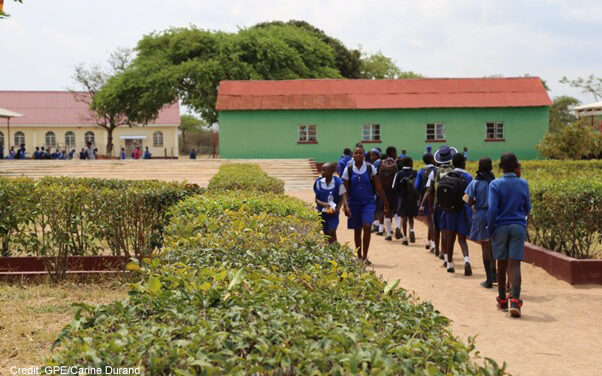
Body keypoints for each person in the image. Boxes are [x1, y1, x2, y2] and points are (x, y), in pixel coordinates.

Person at [488, 153, 531, 318]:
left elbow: (492, 209)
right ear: (516, 166)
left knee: (501, 264)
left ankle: (502, 300)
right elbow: (527, 206)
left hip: (500, 226)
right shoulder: (523, 183)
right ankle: (515, 301)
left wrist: (491, 228)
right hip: (518, 226)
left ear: (501, 167)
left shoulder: (495, 184)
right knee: (515, 265)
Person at [342, 146, 388, 264]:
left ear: (364, 155)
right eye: (356, 153)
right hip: (354, 203)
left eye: (360, 153)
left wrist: (386, 203)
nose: (358, 155)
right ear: (353, 155)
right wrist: (345, 205)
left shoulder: (370, 168)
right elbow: (344, 190)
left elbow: (378, 186)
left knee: (367, 226)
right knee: (357, 229)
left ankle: (365, 256)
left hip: (368, 202)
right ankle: (359, 256)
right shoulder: (349, 169)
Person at [420, 146, 456, 262]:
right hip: (451, 205)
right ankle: (444, 251)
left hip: (438, 203)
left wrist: (429, 205)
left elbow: (430, 190)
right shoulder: (454, 170)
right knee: (447, 229)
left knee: (437, 227)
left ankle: (437, 249)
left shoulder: (434, 171)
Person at [465, 157, 497, 288]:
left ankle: (488, 279)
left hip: (481, 215)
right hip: (495, 215)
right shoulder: (495, 182)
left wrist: (474, 206)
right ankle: (495, 274)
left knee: (485, 246)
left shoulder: (475, 183)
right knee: (494, 245)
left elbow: (468, 201)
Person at [439, 153, 473, 275]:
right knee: (462, 238)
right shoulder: (468, 177)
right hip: (462, 210)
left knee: (450, 238)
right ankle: (467, 260)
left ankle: (449, 264)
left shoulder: (446, 175)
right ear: (463, 163)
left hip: (448, 211)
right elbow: (470, 196)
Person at [314, 163, 346, 243]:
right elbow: (316, 199)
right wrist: (323, 204)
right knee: (326, 233)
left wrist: (338, 209)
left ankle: (334, 249)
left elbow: (342, 196)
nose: (322, 172)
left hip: (333, 213)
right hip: (322, 212)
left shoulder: (339, 183)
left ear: (332, 171)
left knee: (332, 230)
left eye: (324, 170)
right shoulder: (318, 182)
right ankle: (331, 250)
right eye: (321, 170)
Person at [393, 157, 418, 245]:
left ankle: (405, 238)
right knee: (411, 217)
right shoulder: (415, 173)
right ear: (411, 163)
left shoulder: (399, 173)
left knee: (404, 217)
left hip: (402, 198)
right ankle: (411, 229)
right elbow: (417, 186)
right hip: (412, 198)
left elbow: (394, 187)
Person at [415, 153, 437, 251]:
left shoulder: (421, 171)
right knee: (432, 222)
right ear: (433, 159)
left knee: (430, 221)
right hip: (437, 198)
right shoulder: (437, 170)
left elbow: (416, 186)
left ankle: (433, 243)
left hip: (426, 198)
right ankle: (429, 241)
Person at [377, 146, 399, 241]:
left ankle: (389, 234)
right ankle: (398, 226)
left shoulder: (381, 163)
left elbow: (377, 177)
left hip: (384, 191)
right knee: (396, 210)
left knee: (386, 211)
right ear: (393, 153)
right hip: (394, 190)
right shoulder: (397, 163)